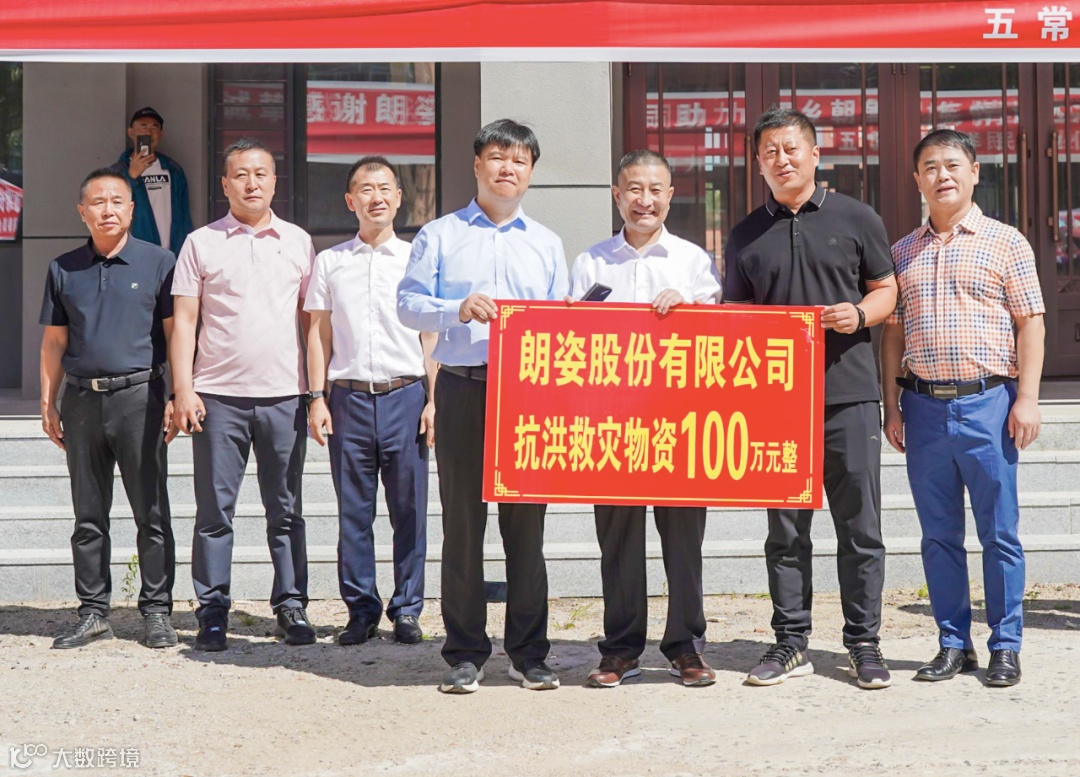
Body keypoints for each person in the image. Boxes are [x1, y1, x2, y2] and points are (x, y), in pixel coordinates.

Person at [725, 107, 898, 690]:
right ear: (758, 163)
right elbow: (736, 316)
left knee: (860, 528)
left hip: (849, 394)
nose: (782, 159)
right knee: (785, 531)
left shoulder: (857, 217)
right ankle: (789, 640)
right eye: (770, 151)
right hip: (777, 405)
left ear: (815, 154)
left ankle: (864, 643)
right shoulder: (746, 233)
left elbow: (886, 290)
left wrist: (859, 314)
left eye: (791, 148)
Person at [398, 119, 568, 693]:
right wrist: (456, 308)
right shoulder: (440, 235)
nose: (506, 168)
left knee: (527, 528)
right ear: (477, 165)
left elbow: (561, 322)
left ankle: (529, 653)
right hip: (464, 387)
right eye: (497, 157)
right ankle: (465, 652)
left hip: (528, 395)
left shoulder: (546, 242)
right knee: (463, 525)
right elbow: (407, 305)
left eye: (519, 160)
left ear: (531, 172)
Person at [881, 129, 1045, 687]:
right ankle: (954, 643)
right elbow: (893, 335)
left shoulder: (1006, 242)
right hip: (923, 408)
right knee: (938, 536)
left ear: (975, 172)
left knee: (999, 533)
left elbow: (1030, 322)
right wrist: (891, 406)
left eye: (953, 165)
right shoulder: (903, 250)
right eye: (930, 167)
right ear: (917, 180)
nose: (942, 175)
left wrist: (1027, 398)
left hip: (989, 404)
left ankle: (1006, 645)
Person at [568, 149, 721, 688]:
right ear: (617, 195)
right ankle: (621, 649)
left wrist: (691, 309)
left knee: (684, 540)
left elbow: (720, 338)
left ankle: (686, 646)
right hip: (612, 424)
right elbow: (569, 342)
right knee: (618, 540)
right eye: (634, 189)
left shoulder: (692, 261)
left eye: (655, 190)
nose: (645, 200)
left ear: (670, 196)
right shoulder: (591, 262)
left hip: (679, 423)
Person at [170, 137, 316, 652]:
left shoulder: (298, 242)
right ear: (225, 184)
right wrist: (183, 389)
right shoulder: (200, 243)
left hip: (284, 396)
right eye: (241, 175)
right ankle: (212, 611)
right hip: (217, 397)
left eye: (261, 174)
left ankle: (291, 606)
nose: (251, 183)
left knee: (286, 510)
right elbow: (184, 323)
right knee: (215, 512)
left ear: (275, 182)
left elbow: (311, 325)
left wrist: (315, 393)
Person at [40, 168, 177, 650]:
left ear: (132, 209)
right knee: (88, 515)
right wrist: (48, 400)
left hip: (141, 399)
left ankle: (156, 611)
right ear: (82, 211)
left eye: (117, 201)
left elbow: (177, 335)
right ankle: (93, 612)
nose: (108, 210)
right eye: (97, 202)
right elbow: (54, 341)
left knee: (151, 513)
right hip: (81, 401)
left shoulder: (159, 262)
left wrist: (178, 394)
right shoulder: (64, 268)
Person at [305, 156, 438, 647]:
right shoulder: (330, 262)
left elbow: (430, 336)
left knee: (410, 511)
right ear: (350, 200)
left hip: (407, 396)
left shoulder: (417, 260)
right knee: (354, 514)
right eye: (365, 189)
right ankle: (361, 610)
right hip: (348, 399)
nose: (375, 197)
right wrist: (316, 397)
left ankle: (407, 608)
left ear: (399, 198)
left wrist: (434, 400)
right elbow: (317, 334)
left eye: (385, 188)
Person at [115, 107, 194, 253]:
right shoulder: (117, 172)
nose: (148, 132)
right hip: (135, 255)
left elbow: (184, 215)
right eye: (143, 126)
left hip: (172, 254)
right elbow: (112, 210)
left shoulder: (173, 169)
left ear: (161, 134)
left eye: (154, 128)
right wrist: (131, 176)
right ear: (131, 132)